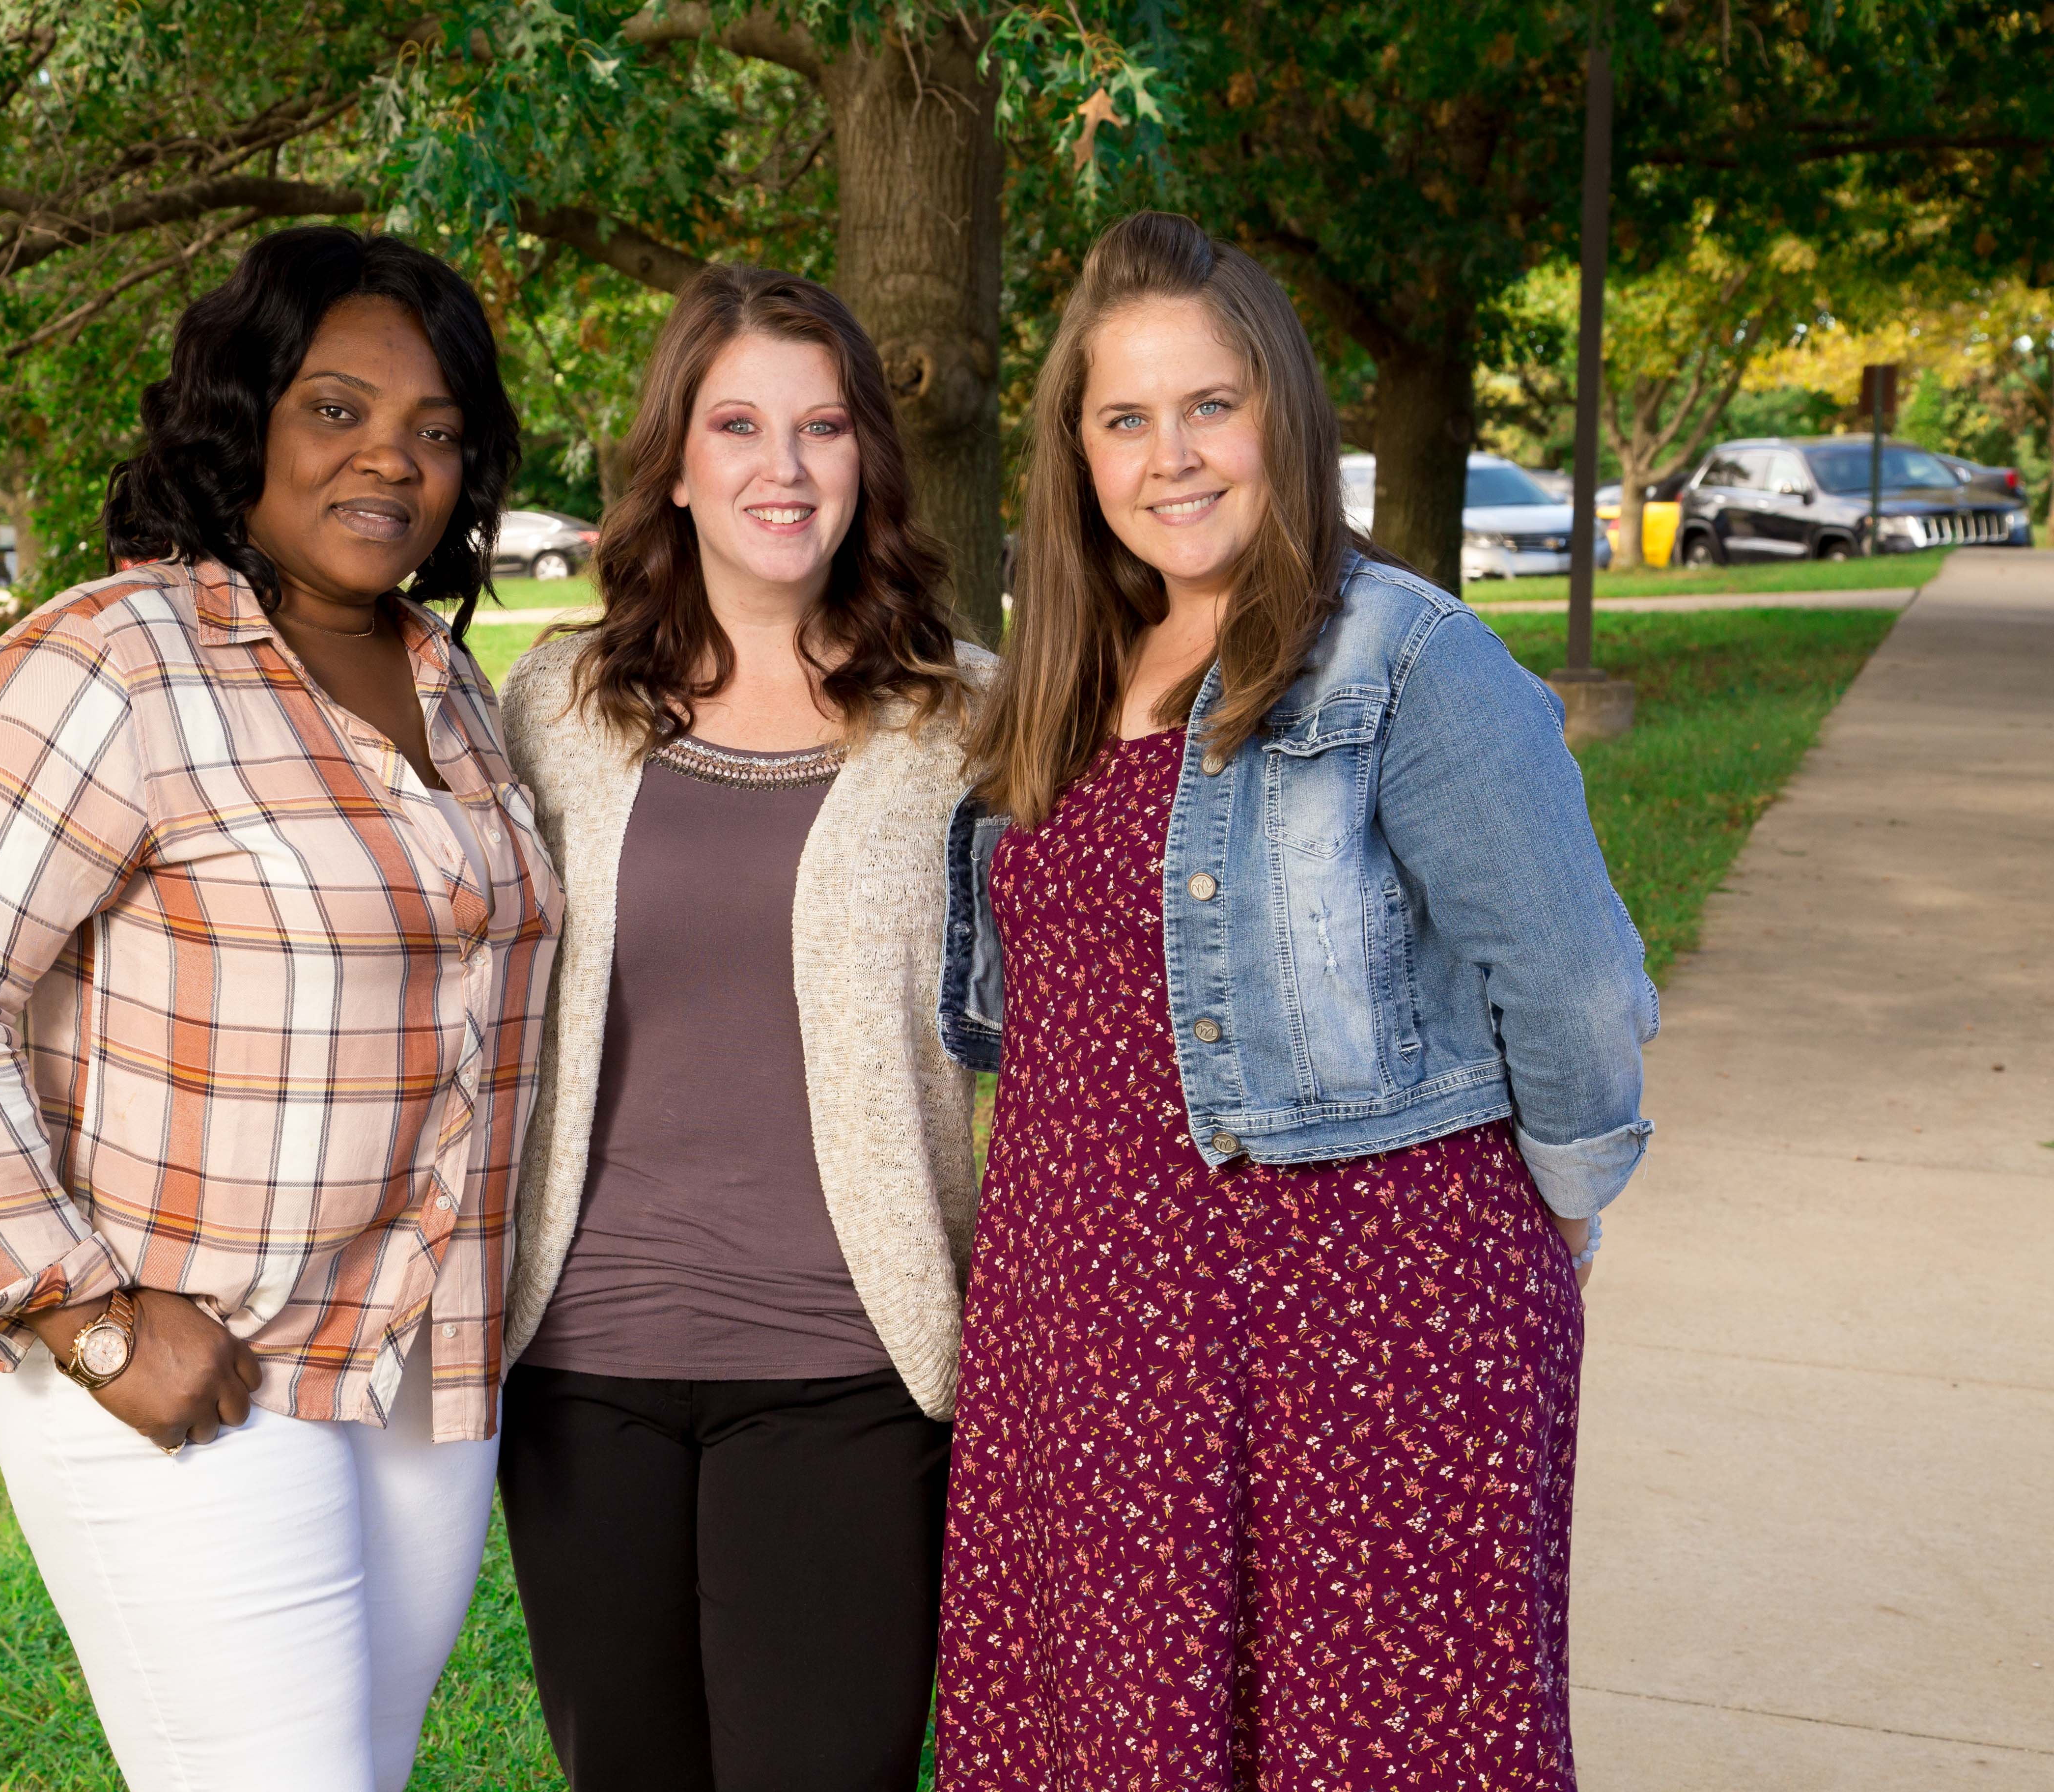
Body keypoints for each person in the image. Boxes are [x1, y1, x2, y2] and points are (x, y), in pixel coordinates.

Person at [933, 211, 1657, 1789]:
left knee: (1374, 1753)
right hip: (1087, 1333)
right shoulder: (1065, 671)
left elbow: (1578, 980)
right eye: (1126, 418)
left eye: (1212, 405)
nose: (1171, 456)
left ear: (1285, 416)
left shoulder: (1404, 660)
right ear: (1076, 453)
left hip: (1367, 1327)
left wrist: (1566, 1214)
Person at [0, 226, 560, 1792]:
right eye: (338, 409)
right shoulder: (118, 659)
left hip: (418, 1370)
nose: (392, 460)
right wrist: (84, 1319)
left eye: (437, 432)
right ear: (243, 420)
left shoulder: (446, 683)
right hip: (193, 1360)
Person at [495, 264, 990, 1791]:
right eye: (738, 425)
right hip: (584, 1373)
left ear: (868, 461)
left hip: (852, 1364)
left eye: (823, 427)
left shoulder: (971, 717)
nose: (783, 467)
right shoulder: (553, 708)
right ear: (677, 465)